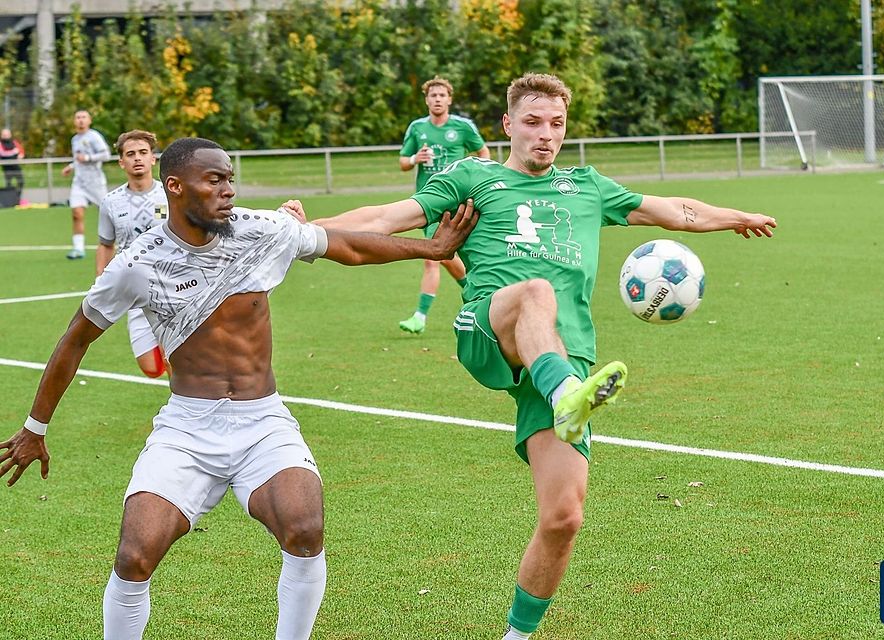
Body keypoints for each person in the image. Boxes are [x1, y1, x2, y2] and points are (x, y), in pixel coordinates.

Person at [316, 73, 776, 639]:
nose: (546, 135)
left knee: (563, 517)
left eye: (556, 124)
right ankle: (565, 396)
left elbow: (677, 210)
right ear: (508, 125)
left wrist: (739, 217)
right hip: (489, 324)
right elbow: (387, 218)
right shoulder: (473, 177)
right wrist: (299, 231)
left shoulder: (588, 187)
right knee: (536, 291)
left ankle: (516, 636)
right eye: (533, 123)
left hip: (565, 357)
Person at [0, 137, 477, 640]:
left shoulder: (262, 230)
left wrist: (433, 248)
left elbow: (349, 246)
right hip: (186, 427)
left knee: (305, 527)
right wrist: (35, 427)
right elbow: (74, 342)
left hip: (262, 421)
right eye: (215, 180)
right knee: (134, 554)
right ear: (176, 187)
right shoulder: (137, 264)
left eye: (230, 178)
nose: (228, 191)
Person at [397, 75, 490, 335]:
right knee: (437, 258)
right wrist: (416, 157)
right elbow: (403, 162)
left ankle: (421, 316)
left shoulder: (463, 127)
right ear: (427, 100)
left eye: (442, 95)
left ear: (449, 99)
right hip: (430, 200)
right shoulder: (417, 128)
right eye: (433, 95)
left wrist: (479, 178)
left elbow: (483, 152)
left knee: (441, 257)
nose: (437, 99)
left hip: (458, 202)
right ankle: (470, 297)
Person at [96, 129, 170, 378]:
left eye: (143, 152)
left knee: (177, 361)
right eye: (130, 154)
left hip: (172, 285)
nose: (137, 158)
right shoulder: (111, 201)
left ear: (153, 158)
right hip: (135, 291)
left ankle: (187, 411)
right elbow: (106, 245)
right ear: (121, 162)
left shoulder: (171, 195)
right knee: (150, 368)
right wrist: (101, 283)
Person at [61, 109, 110, 260]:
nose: (80, 120)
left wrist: (88, 157)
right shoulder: (75, 139)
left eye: (83, 117)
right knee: (76, 213)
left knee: (108, 214)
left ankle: (117, 243)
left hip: (95, 183)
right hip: (79, 183)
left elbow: (106, 155)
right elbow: (78, 158)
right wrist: (71, 166)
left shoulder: (94, 136)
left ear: (89, 121)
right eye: (78, 117)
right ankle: (78, 249)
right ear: (74, 121)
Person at [0, 128, 25, 198]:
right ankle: (10, 199)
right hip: (7, 167)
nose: (5, 136)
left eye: (7, 134)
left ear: (10, 135)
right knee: (9, 184)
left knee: (21, 182)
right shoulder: (0, 144)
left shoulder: (14, 142)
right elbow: (2, 153)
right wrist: (13, 152)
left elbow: (21, 150)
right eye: (4, 135)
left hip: (16, 166)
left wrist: (21, 155)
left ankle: (17, 197)